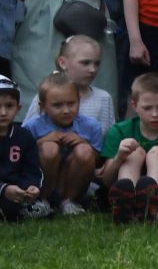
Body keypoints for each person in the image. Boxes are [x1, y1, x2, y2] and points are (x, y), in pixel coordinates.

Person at [99, 72, 158, 221]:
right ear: (134, 105)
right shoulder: (119, 131)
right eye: (148, 108)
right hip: (125, 177)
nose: (155, 114)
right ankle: (127, 204)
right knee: (133, 152)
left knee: (157, 153)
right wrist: (119, 157)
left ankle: (150, 207)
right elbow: (106, 179)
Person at [26, 73, 102, 214]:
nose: (66, 110)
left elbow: (96, 159)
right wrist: (42, 141)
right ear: (42, 106)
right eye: (57, 105)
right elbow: (23, 157)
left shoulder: (91, 126)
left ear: (79, 101)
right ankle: (42, 200)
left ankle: (68, 202)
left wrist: (82, 142)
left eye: (71, 103)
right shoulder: (32, 126)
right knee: (49, 148)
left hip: (72, 181)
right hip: (41, 181)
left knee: (85, 150)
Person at [23, 34, 114, 129]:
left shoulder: (103, 98)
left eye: (97, 64)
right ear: (62, 63)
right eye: (85, 63)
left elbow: (107, 138)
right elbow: (27, 135)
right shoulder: (47, 95)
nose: (92, 69)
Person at [0, 75, 52, 220]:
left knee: (48, 202)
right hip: (3, 190)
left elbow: (32, 168)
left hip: (17, 190)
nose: (3, 113)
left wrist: (31, 187)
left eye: (9, 106)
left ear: (18, 108)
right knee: (9, 207)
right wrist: (4, 189)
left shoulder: (24, 137)